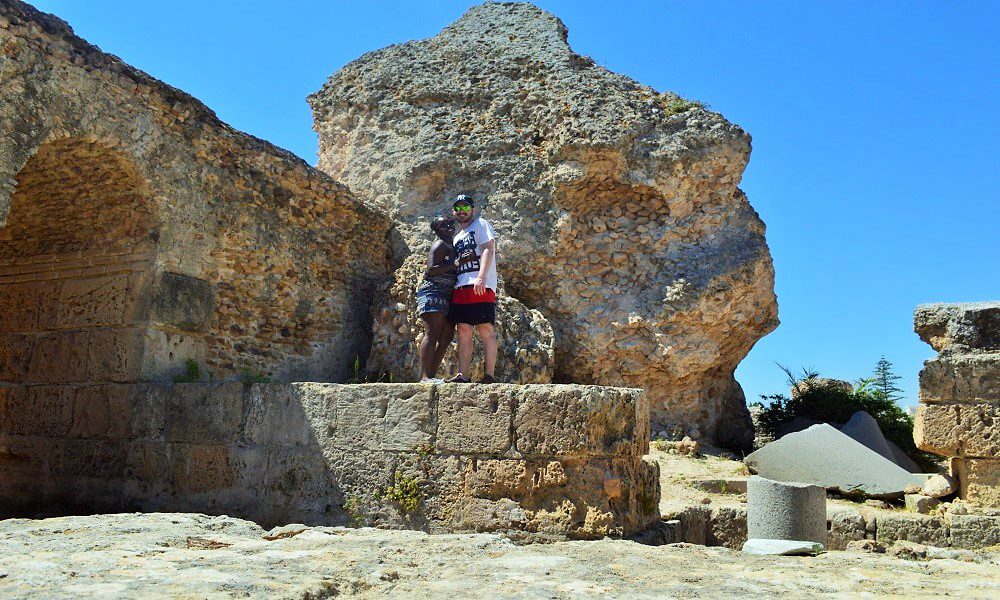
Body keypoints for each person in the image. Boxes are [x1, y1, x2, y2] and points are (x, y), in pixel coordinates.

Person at [446, 195, 499, 383]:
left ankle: (489, 375)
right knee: (463, 330)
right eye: (458, 208)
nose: (462, 211)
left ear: (473, 210)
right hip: (461, 286)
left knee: (485, 328)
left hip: (479, 284)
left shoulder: (481, 225)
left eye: (466, 207)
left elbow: (487, 248)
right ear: (453, 212)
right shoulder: (457, 238)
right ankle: (463, 375)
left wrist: (481, 277)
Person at [416, 216, 474, 382]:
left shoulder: (453, 245)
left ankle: (432, 375)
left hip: (448, 295)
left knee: (446, 336)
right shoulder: (440, 245)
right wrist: (457, 263)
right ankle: (425, 376)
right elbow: (431, 270)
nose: (449, 227)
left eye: (450, 223)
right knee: (432, 333)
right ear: (437, 230)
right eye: (443, 225)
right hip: (434, 292)